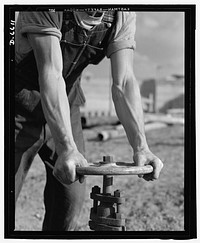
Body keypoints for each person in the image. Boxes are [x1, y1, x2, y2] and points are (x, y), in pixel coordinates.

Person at [15, 10, 163, 231]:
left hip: (67, 101)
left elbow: (123, 82)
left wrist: (141, 147)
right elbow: (51, 73)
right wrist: (67, 147)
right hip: (17, 104)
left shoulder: (122, 12)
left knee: (69, 199)